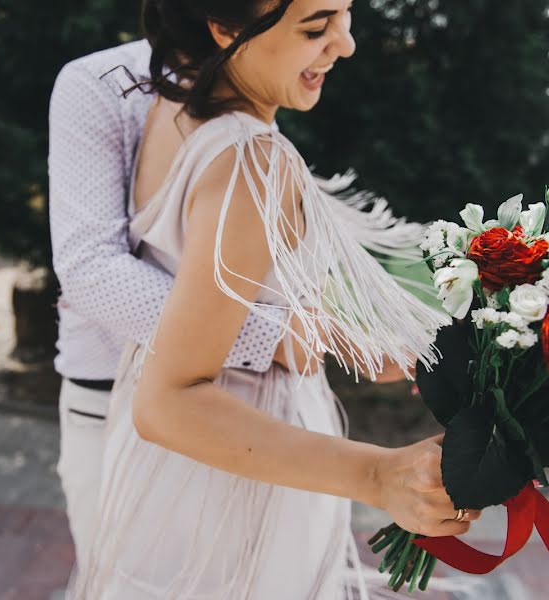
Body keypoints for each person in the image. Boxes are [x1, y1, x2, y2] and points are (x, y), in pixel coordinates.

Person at [57, 1, 482, 598]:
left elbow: (226, 286)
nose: (347, 44)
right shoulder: (249, 155)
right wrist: (379, 475)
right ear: (224, 27)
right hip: (232, 480)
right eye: (317, 26)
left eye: (346, 15)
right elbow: (168, 399)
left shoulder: (182, 114)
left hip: (193, 474)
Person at [49, 32, 340, 568]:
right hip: (112, 398)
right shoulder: (100, 83)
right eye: (320, 24)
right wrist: (277, 336)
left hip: (243, 416)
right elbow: (89, 270)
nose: (340, 43)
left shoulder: (258, 75)